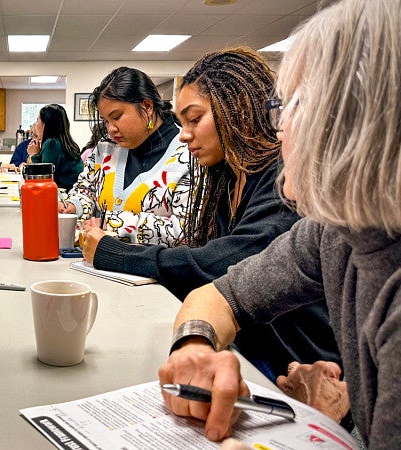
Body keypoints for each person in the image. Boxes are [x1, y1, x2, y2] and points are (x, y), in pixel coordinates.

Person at [159, 0, 401, 447]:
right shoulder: (333, 231)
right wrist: (194, 347)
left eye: (291, 106)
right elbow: (219, 295)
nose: (280, 128)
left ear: (358, 120)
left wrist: (334, 426)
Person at [84, 48, 337, 382]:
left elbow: (221, 265)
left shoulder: (283, 182)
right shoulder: (224, 178)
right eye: (182, 122)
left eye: (194, 119)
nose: (184, 133)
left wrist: (116, 253)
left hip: (298, 363)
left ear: (236, 110)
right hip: (248, 348)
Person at [59, 67, 191, 247]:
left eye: (117, 117)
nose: (110, 129)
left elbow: (186, 230)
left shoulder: (188, 155)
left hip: (150, 270)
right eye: (106, 121)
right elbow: (85, 191)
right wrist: (73, 206)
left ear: (147, 106)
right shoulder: (105, 149)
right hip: (96, 262)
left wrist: (115, 223)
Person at [25, 104, 84, 190]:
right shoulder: (65, 143)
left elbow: (44, 178)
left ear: (45, 124)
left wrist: (34, 155)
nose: (35, 125)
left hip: (64, 195)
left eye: (37, 120)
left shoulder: (51, 144)